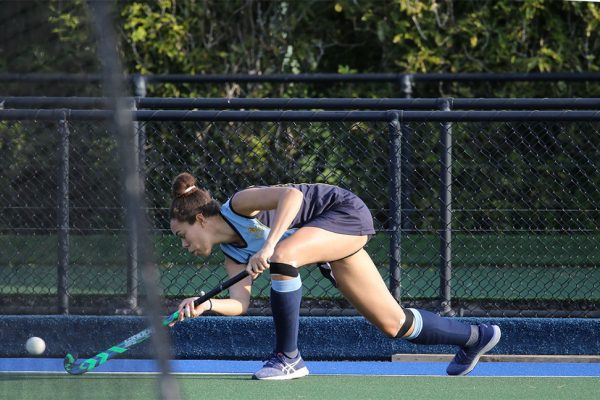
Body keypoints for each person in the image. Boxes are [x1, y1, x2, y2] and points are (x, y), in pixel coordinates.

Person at [169, 172, 501, 380]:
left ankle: (288, 358)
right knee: (394, 323)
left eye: (182, 236)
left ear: (200, 218)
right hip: (322, 240)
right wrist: (206, 305)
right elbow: (240, 304)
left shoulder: (239, 204)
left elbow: (293, 196)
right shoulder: (233, 257)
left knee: (285, 256)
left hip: (341, 212)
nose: (185, 246)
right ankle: (475, 337)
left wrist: (269, 245)